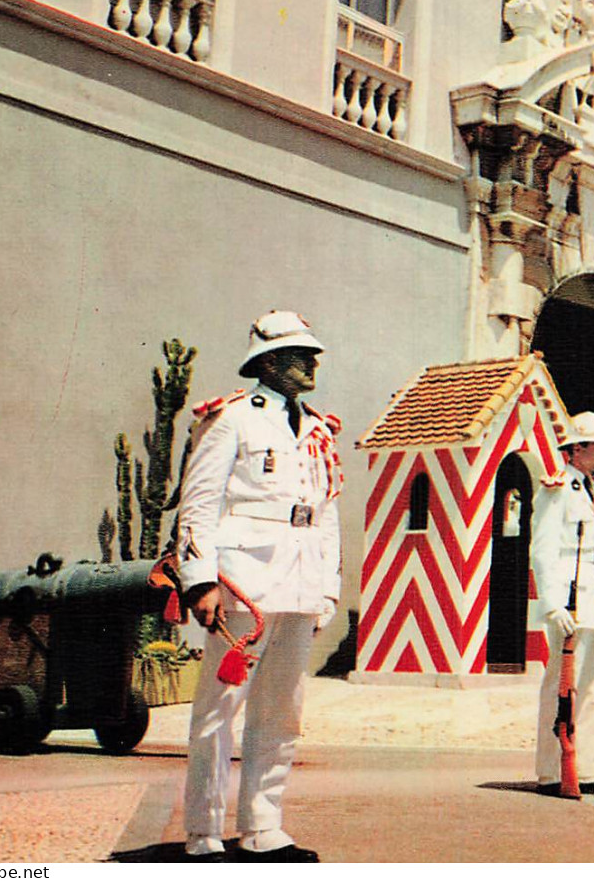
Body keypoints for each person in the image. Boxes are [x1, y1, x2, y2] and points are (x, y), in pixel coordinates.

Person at [175, 310, 343, 862]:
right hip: (244, 579)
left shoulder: (318, 429)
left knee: (281, 711)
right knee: (220, 711)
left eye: (313, 353)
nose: (312, 362)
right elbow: (199, 504)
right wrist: (199, 580)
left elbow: (327, 511)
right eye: (301, 354)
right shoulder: (233, 420)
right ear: (269, 362)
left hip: (299, 581)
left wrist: (328, 587)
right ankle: (204, 833)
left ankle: (263, 826)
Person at [529, 411, 594, 797]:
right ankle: (552, 771)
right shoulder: (556, 488)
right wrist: (552, 603)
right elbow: (544, 548)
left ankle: (588, 769)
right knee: (562, 684)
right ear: (577, 448)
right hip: (570, 596)